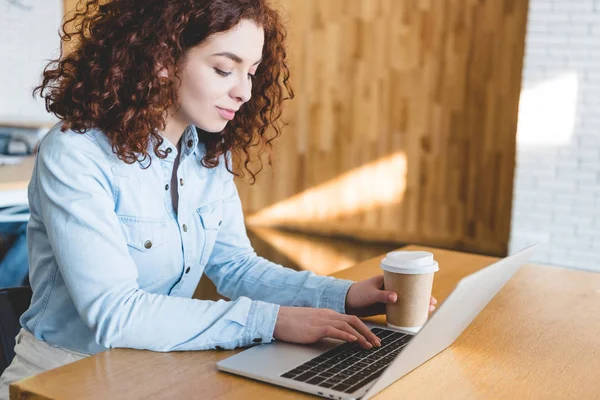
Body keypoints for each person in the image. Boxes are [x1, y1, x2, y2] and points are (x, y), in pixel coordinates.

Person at [0, 0, 436, 396]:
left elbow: (235, 267)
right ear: (162, 61)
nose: (245, 92)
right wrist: (271, 321)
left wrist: (343, 296)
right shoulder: (76, 152)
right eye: (225, 69)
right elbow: (115, 313)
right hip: (58, 381)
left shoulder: (205, 152)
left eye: (251, 71)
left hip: (156, 371)